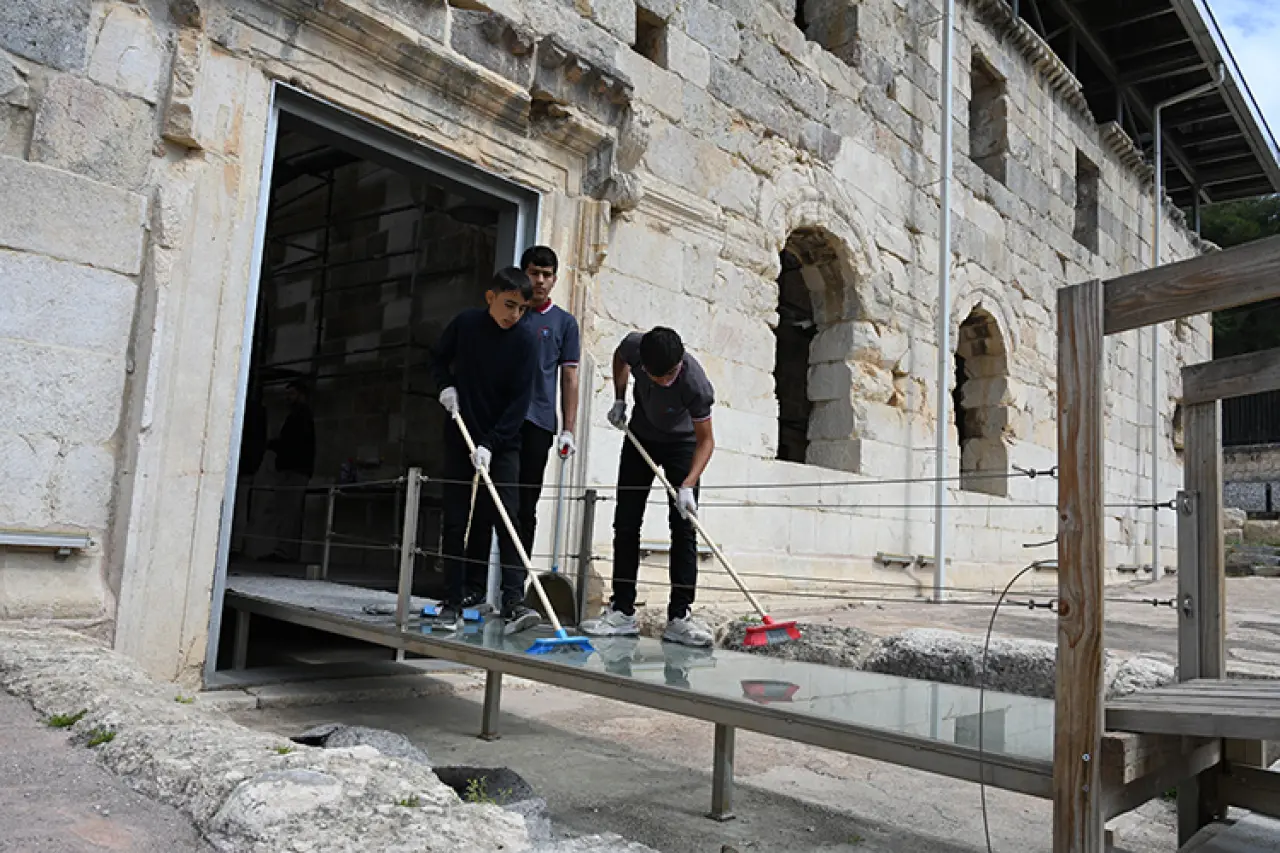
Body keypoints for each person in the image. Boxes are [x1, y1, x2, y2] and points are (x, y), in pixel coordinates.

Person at [581, 327, 717, 647]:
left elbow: (707, 441)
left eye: (669, 375)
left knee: (683, 527)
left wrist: (688, 484)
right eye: (657, 376)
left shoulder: (695, 384)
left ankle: (680, 616)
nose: (664, 381)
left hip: (682, 444)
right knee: (626, 522)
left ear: (679, 364)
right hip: (641, 436)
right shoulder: (634, 346)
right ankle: (622, 611)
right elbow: (619, 357)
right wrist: (619, 399)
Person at [432, 267, 542, 633]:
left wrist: (491, 444)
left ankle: (514, 602)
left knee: (507, 518)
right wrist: (445, 387)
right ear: (490, 297)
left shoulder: (526, 342)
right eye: (509, 304)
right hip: (460, 434)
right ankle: (451, 600)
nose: (514, 315)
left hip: (503, 441)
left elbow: (518, 402)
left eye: (522, 309)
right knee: (454, 519)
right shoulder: (465, 325)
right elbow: (436, 359)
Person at [515, 245, 581, 557]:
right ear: (524, 274)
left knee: (526, 507)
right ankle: (476, 585)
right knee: (493, 502)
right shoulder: (510, 313)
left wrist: (569, 429)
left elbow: (569, 377)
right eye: (534, 273)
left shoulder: (564, 323)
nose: (540, 280)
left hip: (539, 422)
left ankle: (513, 589)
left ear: (554, 279)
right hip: (503, 420)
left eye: (546, 274)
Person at [264, 380, 314, 562]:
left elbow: (293, 443)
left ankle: (284, 552)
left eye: (291, 394)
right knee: (286, 510)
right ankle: (283, 550)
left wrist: (273, 444)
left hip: (294, 469)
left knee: (288, 510)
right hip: (294, 468)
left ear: (301, 395)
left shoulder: (300, 416)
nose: (288, 398)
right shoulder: (299, 415)